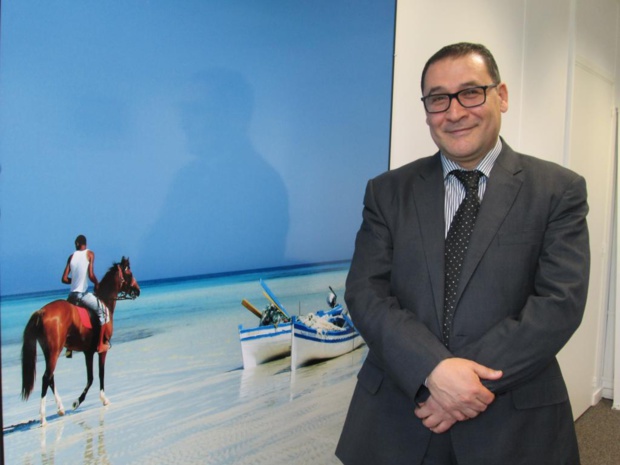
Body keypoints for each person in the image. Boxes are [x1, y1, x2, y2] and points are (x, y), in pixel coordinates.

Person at [336, 42, 590, 465]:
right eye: (438, 99)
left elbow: (559, 304)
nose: (454, 112)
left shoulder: (557, 190)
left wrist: (461, 385)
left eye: (471, 92)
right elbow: (365, 293)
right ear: (427, 110)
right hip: (398, 417)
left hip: (514, 421)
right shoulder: (387, 191)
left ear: (501, 96)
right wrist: (432, 371)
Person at [61, 234, 110, 353]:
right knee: (103, 312)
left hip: (71, 296)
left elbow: (63, 279)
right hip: (82, 295)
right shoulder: (90, 254)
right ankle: (100, 345)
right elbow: (91, 275)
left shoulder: (71, 256)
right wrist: (97, 284)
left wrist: (74, 280)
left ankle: (68, 350)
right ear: (85, 244)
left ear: (77, 244)